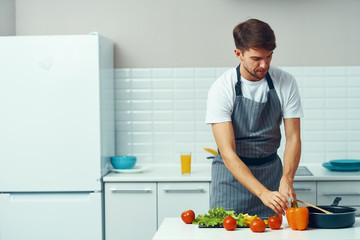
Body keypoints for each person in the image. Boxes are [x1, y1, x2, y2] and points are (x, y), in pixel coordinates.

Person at [205, 18, 303, 218]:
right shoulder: (222, 88)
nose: (264, 64)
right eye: (256, 58)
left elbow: (293, 138)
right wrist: (262, 193)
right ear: (238, 54)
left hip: (271, 175)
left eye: (269, 57)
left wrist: (287, 179)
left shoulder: (286, 82)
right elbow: (227, 152)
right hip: (231, 180)